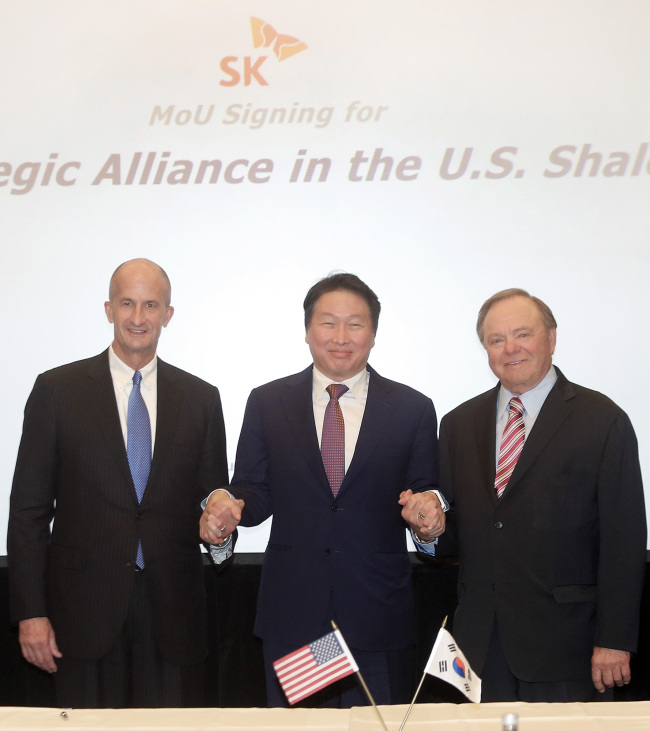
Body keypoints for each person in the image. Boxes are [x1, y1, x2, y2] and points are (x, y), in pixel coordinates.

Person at [200, 272, 445, 707]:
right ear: (308, 330)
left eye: (355, 323)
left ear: (373, 333)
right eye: (328, 322)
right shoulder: (268, 402)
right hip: (296, 617)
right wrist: (228, 507)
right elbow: (253, 493)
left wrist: (428, 521)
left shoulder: (412, 408)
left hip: (376, 618)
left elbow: (425, 496)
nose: (341, 336)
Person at [8, 258, 229, 708]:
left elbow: (213, 501)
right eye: (127, 303)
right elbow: (28, 512)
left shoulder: (201, 399)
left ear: (168, 315)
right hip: (82, 617)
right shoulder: (56, 391)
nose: (137, 317)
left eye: (151, 305)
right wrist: (30, 612)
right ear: (108, 309)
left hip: (174, 617)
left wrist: (221, 531)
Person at [410, 288, 647, 702]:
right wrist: (428, 531)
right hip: (480, 647)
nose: (511, 348)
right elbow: (454, 538)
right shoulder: (458, 424)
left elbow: (624, 541)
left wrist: (614, 639)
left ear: (551, 338)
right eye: (496, 340)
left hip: (568, 647)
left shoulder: (602, 420)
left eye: (523, 334)